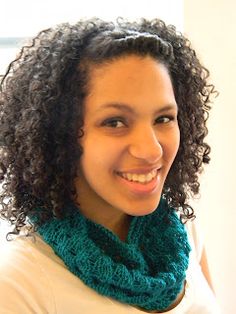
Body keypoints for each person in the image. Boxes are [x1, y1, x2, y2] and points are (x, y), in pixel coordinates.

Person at [0, 18, 221, 313]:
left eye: (163, 118)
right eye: (115, 122)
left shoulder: (183, 232)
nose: (151, 150)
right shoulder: (17, 285)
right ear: (57, 136)